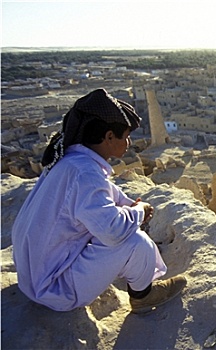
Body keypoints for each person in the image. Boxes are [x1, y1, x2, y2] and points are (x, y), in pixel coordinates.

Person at [11, 88, 186, 314]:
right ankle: (143, 296)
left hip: (34, 273)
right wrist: (140, 211)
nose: (129, 142)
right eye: (125, 136)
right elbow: (113, 230)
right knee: (135, 241)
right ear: (109, 137)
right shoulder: (86, 174)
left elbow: (105, 194)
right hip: (52, 287)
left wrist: (126, 205)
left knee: (116, 226)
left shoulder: (72, 162)